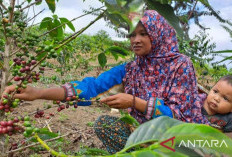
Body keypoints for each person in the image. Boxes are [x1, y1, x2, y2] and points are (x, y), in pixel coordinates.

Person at [1, 10, 208, 153]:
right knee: (105, 124)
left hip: (180, 136)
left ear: (158, 35)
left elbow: (179, 116)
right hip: (147, 134)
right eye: (132, 35)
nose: (135, 40)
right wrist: (37, 93)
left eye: (143, 34)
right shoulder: (131, 69)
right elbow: (91, 88)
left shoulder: (180, 65)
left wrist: (135, 102)